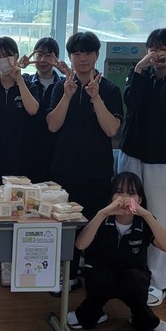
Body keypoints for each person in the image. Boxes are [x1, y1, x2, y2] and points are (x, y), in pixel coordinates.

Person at [47, 31, 123, 294]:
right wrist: (67, 96)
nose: (82, 58)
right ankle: (66, 274)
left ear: (97, 55)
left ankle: (92, 275)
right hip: (64, 169)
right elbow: (52, 125)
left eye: (88, 53)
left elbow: (111, 129)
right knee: (64, 225)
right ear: (70, 57)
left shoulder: (110, 89)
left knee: (94, 224)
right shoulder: (61, 87)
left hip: (97, 171)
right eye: (77, 53)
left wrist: (96, 97)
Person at [117, 28, 166, 307]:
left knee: (157, 217)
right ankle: (125, 273)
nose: (158, 55)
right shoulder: (138, 75)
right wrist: (139, 69)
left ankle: (157, 281)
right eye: (153, 49)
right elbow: (132, 102)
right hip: (132, 154)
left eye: (164, 49)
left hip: (160, 160)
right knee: (126, 211)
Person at [68, 172, 166, 331]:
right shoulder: (101, 216)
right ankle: (93, 312)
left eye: (131, 193)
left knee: (136, 280)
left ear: (139, 199)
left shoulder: (144, 221)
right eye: (118, 192)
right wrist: (103, 213)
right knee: (100, 279)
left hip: (133, 275)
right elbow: (80, 244)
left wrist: (146, 214)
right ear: (111, 196)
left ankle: (141, 317)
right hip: (102, 273)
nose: (124, 198)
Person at [0, 36, 39, 286]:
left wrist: (19, 79)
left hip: (21, 157)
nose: (3, 60)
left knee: (16, 209)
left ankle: (10, 259)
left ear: (16, 57)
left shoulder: (29, 83)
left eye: (8, 55)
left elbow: (33, 109)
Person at [21, 37, 68, 184]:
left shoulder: (64, 85)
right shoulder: (24, 81)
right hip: (27, 151)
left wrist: (66, 72)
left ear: (56, 58)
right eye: (39, 54)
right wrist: (18, 66)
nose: (42, 60)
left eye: (48, 55)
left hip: (55, 152)